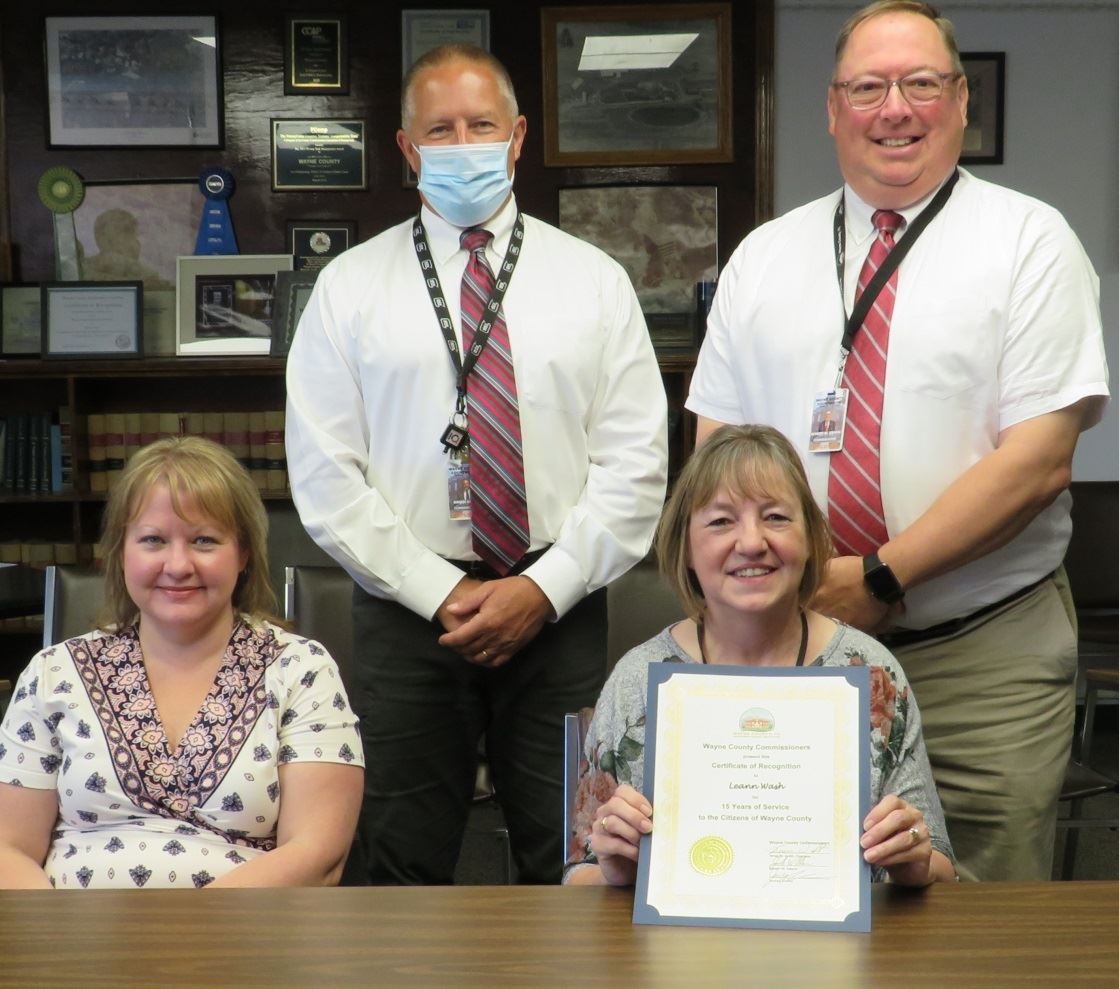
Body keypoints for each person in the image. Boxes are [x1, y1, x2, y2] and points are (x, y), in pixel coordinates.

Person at [686, 1, 1109, 881]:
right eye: (868, 87)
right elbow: (716, 458)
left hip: (976, 651)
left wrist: (881, 576)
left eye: (920, 83)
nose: (894, 108)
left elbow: (1038, 461)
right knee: (788, 878)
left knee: (982, 909)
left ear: (960, 103)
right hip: (792, 643)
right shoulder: (763, 256)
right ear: (831, 109)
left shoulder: (1029, 242)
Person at [284, 44, 668, 885]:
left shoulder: (594, 282)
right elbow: (324, 478)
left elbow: (636, 465)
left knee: (575, 856)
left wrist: (542, 588)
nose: (462, 143)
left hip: (557, 608)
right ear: (407, 147)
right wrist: (440, 591)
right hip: (406, 611)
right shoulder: (347, 290)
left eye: (480, 125)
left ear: (518, 135)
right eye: (440, 129)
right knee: (397, 857)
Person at [565, 424, 956, 887]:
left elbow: (941, 868)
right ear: (686, 547)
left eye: (775, 517)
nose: (751, 542)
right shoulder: (637, 680)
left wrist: (911, 862)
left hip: (843, 955)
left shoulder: (870, 671)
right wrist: (615, 869)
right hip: (678, 953)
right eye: (720, 521)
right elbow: (579, 876)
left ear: (810, 539)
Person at [0, 437, 364, 889]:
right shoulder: (52, 672)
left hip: (243, 941)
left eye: (204, 540)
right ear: (121, 552)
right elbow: (8, 849)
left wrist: (185, 934)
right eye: (153, 540)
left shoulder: (303, 670)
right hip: (73, 942)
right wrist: (64, 944)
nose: (178, 564)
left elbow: (318, 852)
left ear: (244, 554)